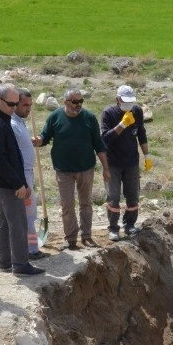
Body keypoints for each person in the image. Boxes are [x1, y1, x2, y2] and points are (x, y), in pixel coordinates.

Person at [0, 85, 44, 276]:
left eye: (16, 104)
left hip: (3, 180)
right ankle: (20, 264)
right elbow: (0, 160)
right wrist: (18, 184)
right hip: (7, 183)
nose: (14, 108)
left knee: (5, 221)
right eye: (11, 104)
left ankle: (6, 261)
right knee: (18, 222)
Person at [36, 88, 110, 250]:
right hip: (63, 169)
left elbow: (98, 144)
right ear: (65, 102)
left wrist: (106, 168)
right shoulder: (55, 116)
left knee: (86, 204)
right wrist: (38, 140)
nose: (78, 105)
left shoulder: (89, 118)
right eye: (75, 102)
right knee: (67, 205)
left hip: (86, 168)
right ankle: (70, 239)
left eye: (81, 101)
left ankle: (87, 236)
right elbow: (45, 136)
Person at [100, 85, 151, 241]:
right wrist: (122, 125)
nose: (128, 104)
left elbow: (141, 133)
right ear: (118, 99)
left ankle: (129, 225)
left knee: (132, 195)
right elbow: (105, 138)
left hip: (131, 161)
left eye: (130, 101)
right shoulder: (108, 114)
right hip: (113, 162)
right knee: (113, 196)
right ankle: (113, 228)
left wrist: (147, 155)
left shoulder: (137, 111)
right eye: (124, 101)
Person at [9, 88, 48, 261]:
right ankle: (30, 250)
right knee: (27, 214)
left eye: (30, 105)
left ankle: (31, 247)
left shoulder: (20, 122)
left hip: (27, 173)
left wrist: (30, 142)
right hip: (22, 175)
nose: (28, 109)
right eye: (25, 105)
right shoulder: (12, 124)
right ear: (15, 104)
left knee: (30, 213)